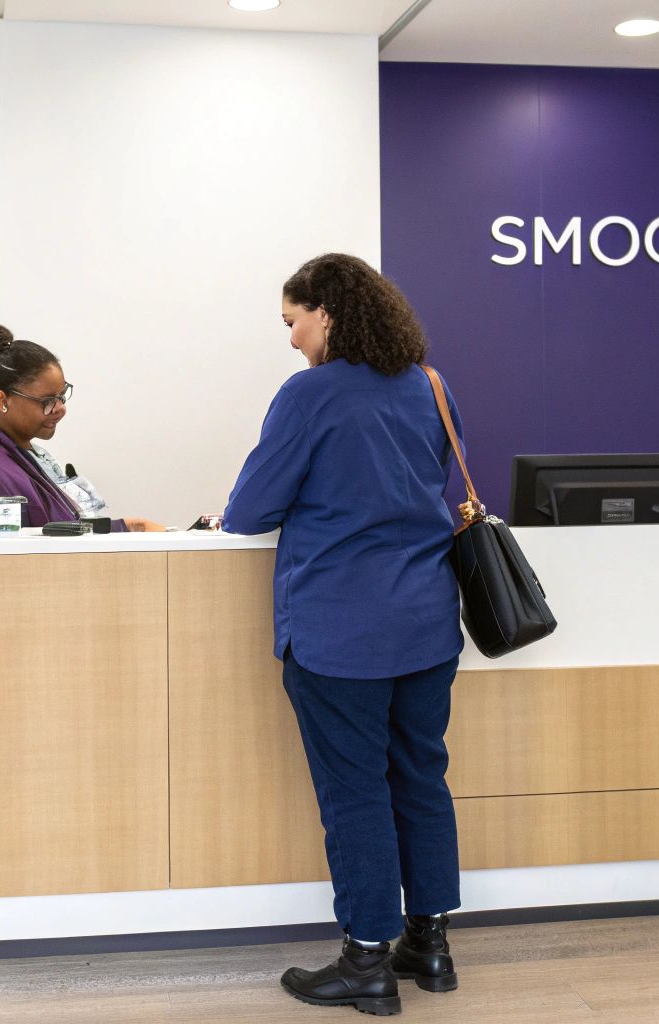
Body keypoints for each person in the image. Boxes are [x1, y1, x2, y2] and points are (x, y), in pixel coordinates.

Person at [223, 253, 466, 1015]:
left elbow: (250, 510)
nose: (291, 339)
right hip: (427, 623)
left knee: (355, 792)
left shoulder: (308, 395)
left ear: (324, 312)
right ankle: (427, 944)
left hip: (339, 632)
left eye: (292, 321)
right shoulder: (430, 384)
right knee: (420, 778)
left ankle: (366, 959)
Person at [0, 324, 164, 532]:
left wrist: (127, 528)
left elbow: (58, 529)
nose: (60, 409)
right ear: (3, 400)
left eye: (61, 396)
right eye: (47, 401)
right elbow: (21, 561)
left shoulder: (19, 453)